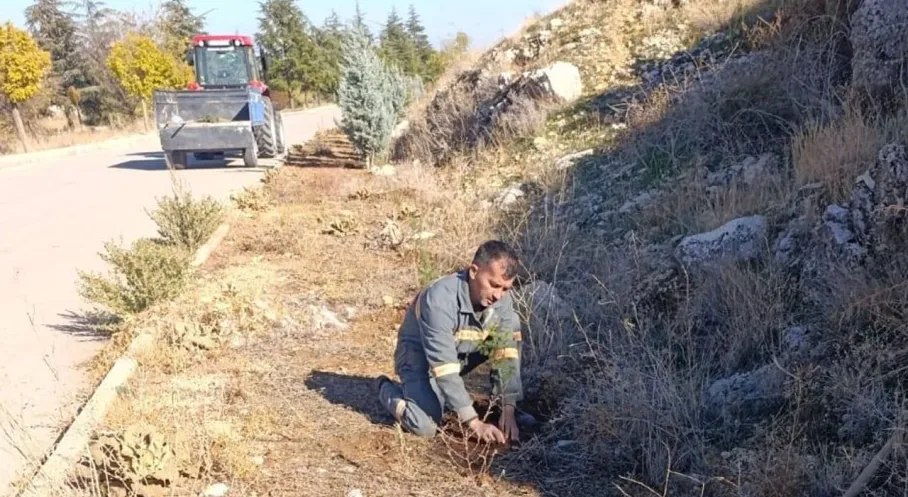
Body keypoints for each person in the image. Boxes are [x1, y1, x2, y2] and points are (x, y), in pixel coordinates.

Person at [376, 240, 531, 443]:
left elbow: (506, 353)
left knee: (511, 324)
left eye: (505, 289)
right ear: (474, 271)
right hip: (421, 360)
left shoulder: (501, 300)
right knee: (426, 426)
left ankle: (490, 404)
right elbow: (443, 366)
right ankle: (385, 389)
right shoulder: (439, 299)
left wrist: (508, 409)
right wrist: (474, 422)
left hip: (458, 356)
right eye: (493, 285)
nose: (498, 295)